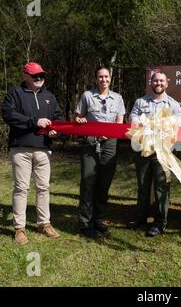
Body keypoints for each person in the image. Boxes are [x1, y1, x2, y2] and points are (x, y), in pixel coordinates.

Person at [2, 62, 63, 245]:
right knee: (22, 188)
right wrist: (33, 122)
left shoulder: (49, 97)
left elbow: (57, 119)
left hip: (44, 150)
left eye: (41, 76)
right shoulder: (15, 93)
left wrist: (56, 131)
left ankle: (44, 223)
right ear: (25, 77)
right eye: (35, 76)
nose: (39, 79)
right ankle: (19, 228)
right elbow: (8, 114)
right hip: (21, 148)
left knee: (43, 187)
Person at [127, 72, 181, 237]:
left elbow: (178, 128)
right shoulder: (140, 102)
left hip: (163, 153)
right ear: (150, 82)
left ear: (166, 83)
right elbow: (133, 119)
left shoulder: (173, 105)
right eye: (155, 80)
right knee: (143, 186)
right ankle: (140, 218)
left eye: (161, 80)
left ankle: (160, 223)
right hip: (143, 151)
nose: (158, 83)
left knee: (161, 188)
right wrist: (144, 124)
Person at [74, 66, 125, 238]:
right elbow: (78, 117)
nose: (104, 79)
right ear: (96, 78)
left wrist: (109, 133)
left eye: (106, 76)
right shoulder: (87, 96)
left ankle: (99, 219)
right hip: (91, 142)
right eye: (100, 76)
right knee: (88, 182)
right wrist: (80, 120)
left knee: (104, 182)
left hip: (110, 143)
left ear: (110, 78)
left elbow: (120, 122)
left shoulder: (118, 98)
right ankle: (85, 223)